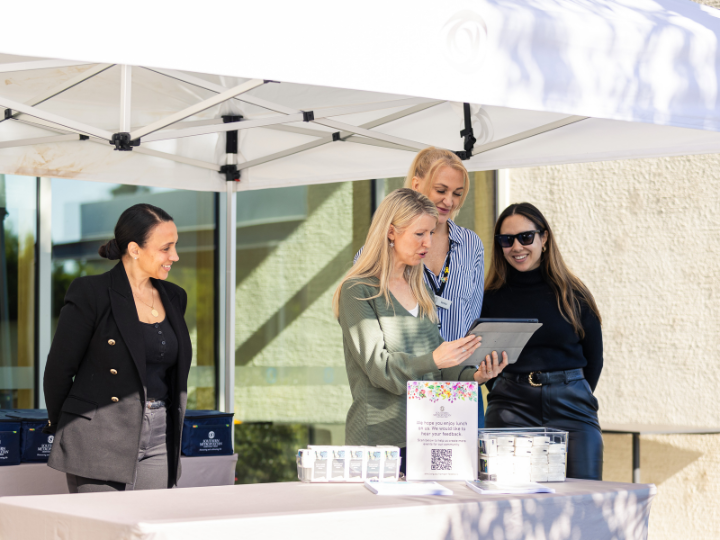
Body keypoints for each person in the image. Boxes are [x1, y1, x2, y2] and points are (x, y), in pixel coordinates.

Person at [335, 188, 506, 472]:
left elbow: (438, 369)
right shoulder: (358, 291)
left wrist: (474, 376)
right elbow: (382, 370)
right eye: (419, 234)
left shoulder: (420, 289)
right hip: (379, 446)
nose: (428, 242)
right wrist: (435, 359)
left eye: (431, 233)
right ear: (391, 232)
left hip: (427, 439)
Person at [43, 203, 192, 493]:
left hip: (160, 434)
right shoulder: (91, 293)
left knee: (150, 530)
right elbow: (59, 371)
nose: (174, 256)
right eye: (166, 248)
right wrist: (72, 430)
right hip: (99, 436)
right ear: (135, 249)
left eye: (175, 246)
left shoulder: (175, 296)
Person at [357, 148, 496, 426]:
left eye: (457, 193)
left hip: (460, 387)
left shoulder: (471, 246)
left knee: (466, 470)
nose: (449, 201)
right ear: (417, 184)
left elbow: (473, 319)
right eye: (441, 189)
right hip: (403, 391)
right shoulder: (382, 253)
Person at [481, 202, 603, 480]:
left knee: (582, 503)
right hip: (511, 407)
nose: (516, 247)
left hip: (571, 407)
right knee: (506, 507)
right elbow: (483, 357)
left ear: (544, 238)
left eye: (526, 237)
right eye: (506, 240)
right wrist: (505, 385)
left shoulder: (573, 294)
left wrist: (567, 386)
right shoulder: (489, 298)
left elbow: (594, 358)